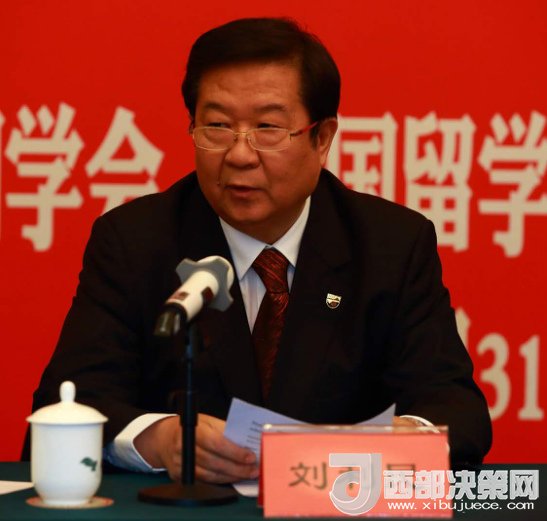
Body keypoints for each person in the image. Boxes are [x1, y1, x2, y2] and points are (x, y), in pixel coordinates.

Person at [27, 17, 492, 484]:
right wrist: (160, 440)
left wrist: (402, 437)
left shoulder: (390, 244)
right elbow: (66, 402)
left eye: (267, 127)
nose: (239, 154)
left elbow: (457, 408)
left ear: (322, 138)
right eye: (217, 126)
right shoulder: (136, 240)